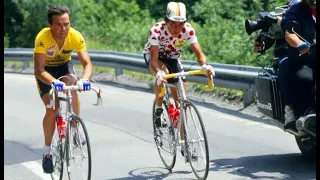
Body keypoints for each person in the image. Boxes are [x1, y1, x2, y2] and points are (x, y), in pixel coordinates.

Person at [143, 2, 214, 158]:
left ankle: (185, 144)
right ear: (166, 21)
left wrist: (205, 66)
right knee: (163, 73)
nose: (176, 28)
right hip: (155, 58)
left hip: (174, 58)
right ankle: (159, 109)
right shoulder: (156, 31)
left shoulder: (188, 30)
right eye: (173, 24)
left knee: (181, 100)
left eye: (180, 24)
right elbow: (154, 60)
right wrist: (158, 73)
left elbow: (200, 54)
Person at [33, 5, 93, 173]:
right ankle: (47, 152)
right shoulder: (43, 38)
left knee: (73, 81)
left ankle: (74, 127)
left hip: (64, 67)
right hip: (46, 72)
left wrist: (85, 79)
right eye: (58, 24)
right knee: (53, 109)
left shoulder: (75, 36)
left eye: (66, 24)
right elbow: (39, 69)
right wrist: (52, 82)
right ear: (50, 25)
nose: (63, 29)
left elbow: (87, 64)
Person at [281, 0, 316, 129]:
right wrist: (298, 43)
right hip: (305, 58)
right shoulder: (296, 10)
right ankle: (301, 113)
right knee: (305, 78)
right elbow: (289, 33)